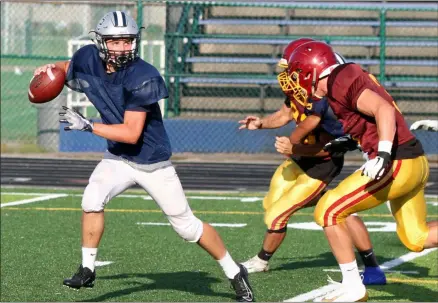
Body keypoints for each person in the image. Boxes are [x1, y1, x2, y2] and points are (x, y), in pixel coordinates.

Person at [32, 11, 254, 302]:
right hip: (118, 158)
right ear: (101, 42)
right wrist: (48, 70)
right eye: (116, 42)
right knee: (91, 199)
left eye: (128, 41)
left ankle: (234, 271)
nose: (124, 48)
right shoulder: (87, 58)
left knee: (187, 227)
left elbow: (131, 133)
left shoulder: (143, 76)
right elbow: (67, 66)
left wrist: (87, 125)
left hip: (152, 162)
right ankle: (87, 269)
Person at [286, 40, 438, 302]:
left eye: (297, 74)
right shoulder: (339, 83)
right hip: (412, 160)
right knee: (417, 237)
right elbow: (368, 118)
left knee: (329, 209)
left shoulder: (339, 78)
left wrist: (383, 153)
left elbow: (384, 109)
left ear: (311, 69)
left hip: (397, 161)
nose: (294, 82)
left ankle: (353, 286)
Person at [238, 39, 386, 285]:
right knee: (272, 202)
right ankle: (335, 208)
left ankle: (261, 260)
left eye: (292, 70)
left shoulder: (330, 102)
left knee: (276, 215)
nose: (287, 76)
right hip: (299, 159)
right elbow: (286, 113)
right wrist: (262, 122)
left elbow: (333, 149)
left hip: (321, 164)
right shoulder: (301, 88)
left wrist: (294, 146)